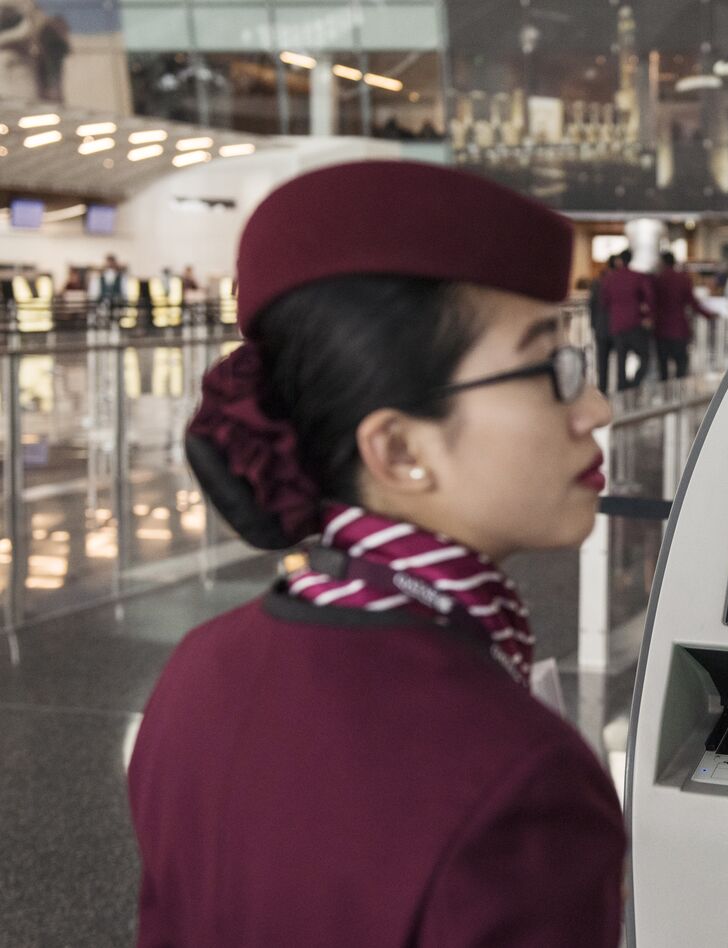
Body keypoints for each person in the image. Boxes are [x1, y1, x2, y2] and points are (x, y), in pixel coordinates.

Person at [128, 161, 626, 947]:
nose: (596, 408)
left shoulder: (198, 671)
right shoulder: (520, 777)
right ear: (398, 448)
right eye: (553, 369)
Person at [651, 251, 717, 380]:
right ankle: (679, 395)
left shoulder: (657, 279)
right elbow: (692, 303)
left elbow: (651, 303)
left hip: (661, 329)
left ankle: (666, 396)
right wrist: (708, 315)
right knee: (681, 366)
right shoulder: (683, 278)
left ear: (662, 263)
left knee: (663, 367)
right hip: (679, 329)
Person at [601, 247, 654, 389]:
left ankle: (622, 390)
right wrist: (646, 315)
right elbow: (649, 297)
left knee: (621, 362)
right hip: (634, 323)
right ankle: (634, 385)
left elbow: (605, 301)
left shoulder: (609, 278)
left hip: (617, 324)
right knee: (645, 356)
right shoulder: (638, 276)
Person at [588, 254, 620, 392]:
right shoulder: (619, 282)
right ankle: (621, 389)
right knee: (620, 361)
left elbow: (592, 305)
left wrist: (593, 324)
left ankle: (603, 390)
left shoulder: (597, 283)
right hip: (617, 327)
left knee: (602, 362)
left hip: (601, 327)